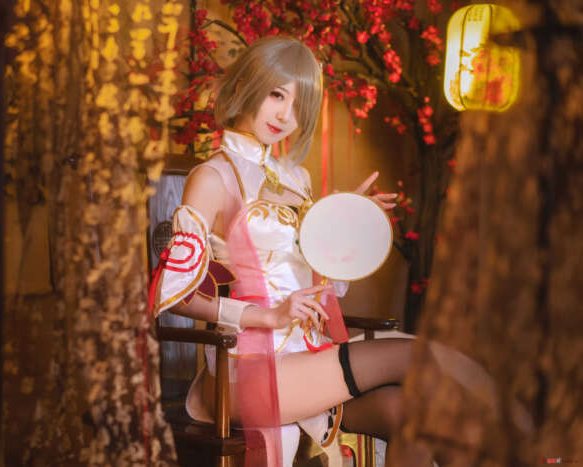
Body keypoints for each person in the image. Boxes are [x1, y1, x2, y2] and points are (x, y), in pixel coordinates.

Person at [150, 36, 434, 466]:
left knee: (408, 413)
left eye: (299, 105)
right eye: (277, 95)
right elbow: (177, 295)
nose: (286, 116)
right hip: (243, 367)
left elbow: (315, 278)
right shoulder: (212, 176)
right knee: (416, 355)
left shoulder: (296, 179)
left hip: (306, 356)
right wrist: (269, 316)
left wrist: (347, 220)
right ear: (245, 84)